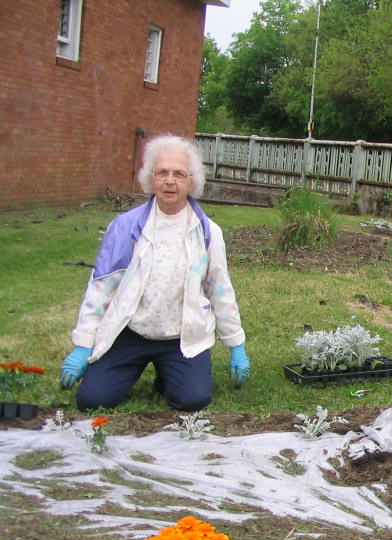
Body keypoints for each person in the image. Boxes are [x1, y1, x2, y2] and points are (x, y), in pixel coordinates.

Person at [59, 134, 250, 411]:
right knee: (92, 400)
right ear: (150, 179)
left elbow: (219, 288)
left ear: (192, 182)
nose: (170, 181)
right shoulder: (125, 227)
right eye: (162, 172)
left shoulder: (209, 232)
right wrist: (83, 344)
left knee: (192, 400)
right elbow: (101, 286)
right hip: (130, 333)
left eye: (179, 174)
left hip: (180, 338)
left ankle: (168, 373)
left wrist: (236, 345)